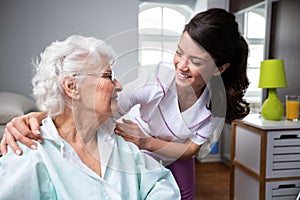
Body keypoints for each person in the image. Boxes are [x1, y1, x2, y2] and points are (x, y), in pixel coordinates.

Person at [1, 8, 250, 199]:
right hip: (138, 142)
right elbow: (99, 105)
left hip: (171, 151)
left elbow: (188, 151)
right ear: (71, 87)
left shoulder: (214, 106)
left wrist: (146, 142)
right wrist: (41, 115)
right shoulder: (156, 84)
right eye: (179, 53)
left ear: (219, 69)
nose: (182, 65)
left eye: (195, 61)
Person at [0, 35, 180, 199]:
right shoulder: (29, 154)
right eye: (108, 76)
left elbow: (161, 184)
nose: (119, 85)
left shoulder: (118, 139)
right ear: (72, 87)